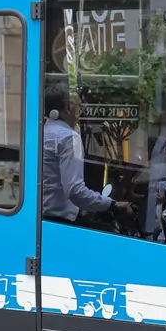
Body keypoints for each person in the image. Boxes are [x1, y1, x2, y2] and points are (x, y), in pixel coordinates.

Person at [41, 81, 133, 224]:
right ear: (67, 107)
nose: (79, 112)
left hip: (40, 219)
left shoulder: (41, 133)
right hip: (61, 222)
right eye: (78, 106)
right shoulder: (68, 137)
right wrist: (111, 204)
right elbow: (75, 190)